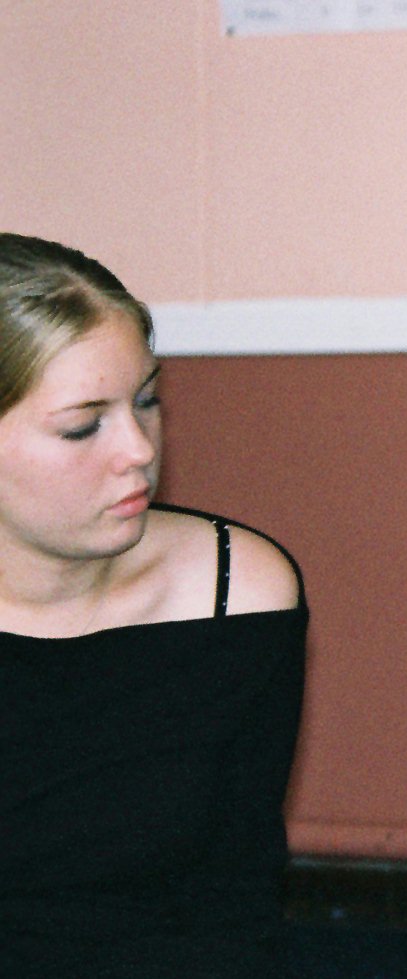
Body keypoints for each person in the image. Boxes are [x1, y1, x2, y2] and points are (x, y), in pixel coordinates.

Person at [0, 233, 307, 977]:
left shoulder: (236, 591)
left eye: (146, 400)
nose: (138, 447)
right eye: (83, 425)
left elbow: (232, 902)